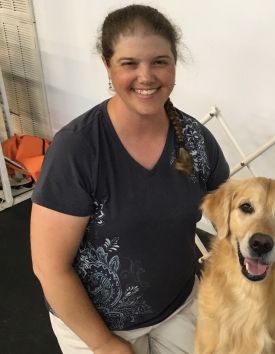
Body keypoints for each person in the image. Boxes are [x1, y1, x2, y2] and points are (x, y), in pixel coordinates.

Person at [30, 4, 229, 354]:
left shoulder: (196, 140)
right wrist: (105, 344)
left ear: (174, 64)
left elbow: (233, 220)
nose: (146, 76)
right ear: (107, 65)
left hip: (180, 305)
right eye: (129, 63)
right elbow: (49, 268)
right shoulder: (77, 149)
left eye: (159, 61)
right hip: (93, 325)